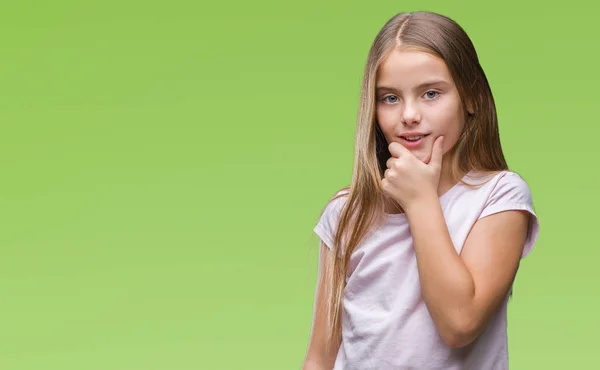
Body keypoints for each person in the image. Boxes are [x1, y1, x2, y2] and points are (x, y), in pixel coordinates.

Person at [302, 11, 540, 370]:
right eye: (390, 98)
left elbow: (460, 323)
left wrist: (420, 200)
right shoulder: (346, 213)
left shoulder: (499, 197)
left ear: (471, 97)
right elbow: (320, 357)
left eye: (431, 93)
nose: (409, 115)